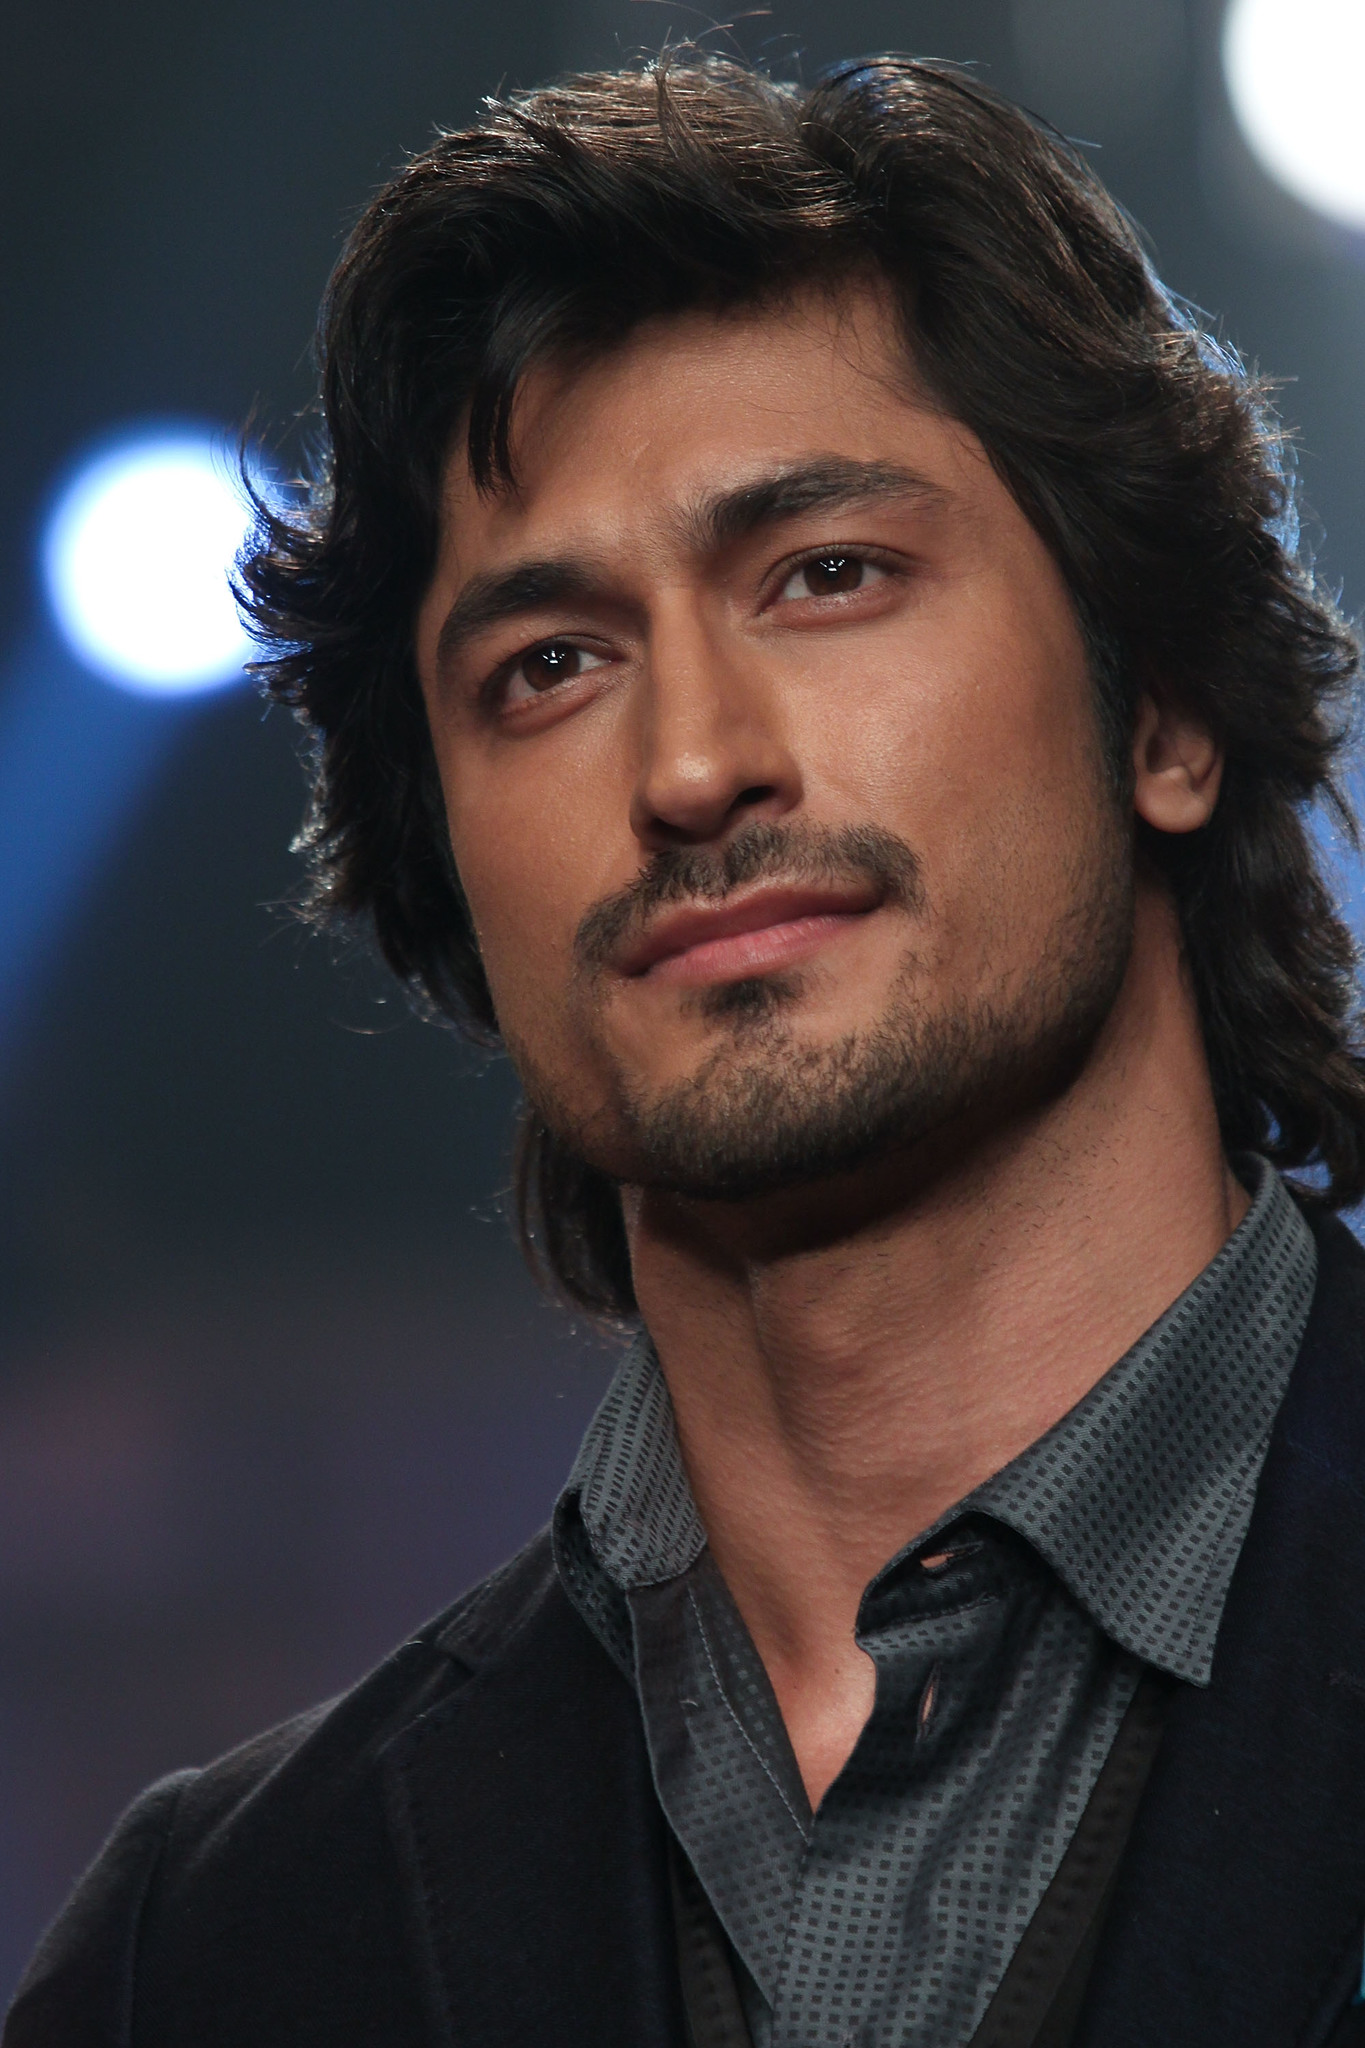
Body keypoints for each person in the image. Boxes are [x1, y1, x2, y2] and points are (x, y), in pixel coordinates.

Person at [9, 47, 1365, 2048]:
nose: (692, 761)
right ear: (449, 861)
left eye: (825, 576)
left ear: (1160, 706)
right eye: (549, 665)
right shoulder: (213, 1957)